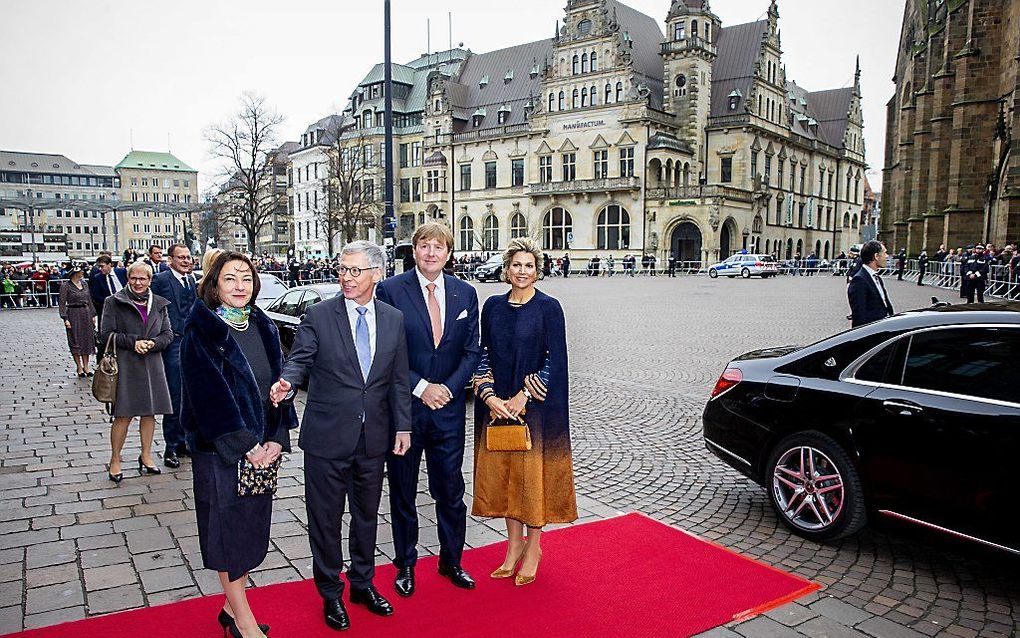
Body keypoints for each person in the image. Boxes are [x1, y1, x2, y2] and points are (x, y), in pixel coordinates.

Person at [270, 241, 411, 632]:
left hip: (374, 439)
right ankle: (330, 593)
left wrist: (403, 426)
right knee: (325, 521)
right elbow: (300, 358)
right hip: (327, 439)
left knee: (366, 516)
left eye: (355, 270)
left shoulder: (393, 319)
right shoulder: (319, 315)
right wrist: (286, 381)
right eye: (342, 269)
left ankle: (362, 584)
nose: (346, 277)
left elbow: (399, 379)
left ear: (376, 274)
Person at [180, 251, 297, 638]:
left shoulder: (262, 324)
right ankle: (244, 623)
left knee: (249, 531)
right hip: (222, 452)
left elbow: (277, 384)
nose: (239, 286)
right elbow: (207, 398)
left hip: (264, 450)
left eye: (246, 278)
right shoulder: (202, 330)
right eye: (230, 279)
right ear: (214, 285)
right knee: (228, 535)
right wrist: (247, 445)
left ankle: (230, 609)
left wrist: (278, 438)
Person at [376, 223, 481, 598]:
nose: (432, 252)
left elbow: (472, 351)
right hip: (406, 411)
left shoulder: (465, 293)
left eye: (439, 247)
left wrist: (449, 389)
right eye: (425, 246)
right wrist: (422, 387)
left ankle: (452, 561)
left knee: (451, 491)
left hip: (449, 412)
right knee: (403, 491)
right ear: (415, 251)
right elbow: (385, 351)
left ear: (449, 253)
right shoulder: (390, 290)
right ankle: (405, 563)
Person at [472, 237, 577, 587]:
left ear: (538, 270)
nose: (522, 271)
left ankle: (533, 549)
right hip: (496, 408)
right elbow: (483, 351)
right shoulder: (493, 307)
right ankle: (513, 546)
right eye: (516, 264)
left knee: (531, 481)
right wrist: (487, 394)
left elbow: (555, 360)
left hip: (534, 411)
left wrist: (523, 396)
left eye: (529, 265)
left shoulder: (549, 308)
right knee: (504, 478)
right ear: (506, 268)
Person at [100, 261, 174, 482]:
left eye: (143, 279)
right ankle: (115, 459)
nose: (138, 282)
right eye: (134, 278)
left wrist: (152, 344)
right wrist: (134, 342)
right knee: (123, 414)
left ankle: (147, 455)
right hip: (127, 364)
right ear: (128, 279)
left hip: (152, 364)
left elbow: (168, 334)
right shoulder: (113, 302)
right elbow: (106, 334)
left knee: (149, 413)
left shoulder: (160, 303)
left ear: (150, 280)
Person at [150, 244, 198, 469]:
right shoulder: (161, 280)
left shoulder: (191, 281)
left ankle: (184, 442)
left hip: (192, 342)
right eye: (181, 257)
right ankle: (170, 446)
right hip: (173, 343)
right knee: (175, 395)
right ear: (171, 260)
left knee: (190, 394)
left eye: (188, 257)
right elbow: (155, 310)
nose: (186, 261)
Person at [58, 267, 97, 377]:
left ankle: (86, 366)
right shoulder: (66, 286)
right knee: (75, 339)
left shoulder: (84, 284)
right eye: (80, 271)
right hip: (73, 313)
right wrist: (65, 318)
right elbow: (62, 303)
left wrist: (93, 315)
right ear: (74, 273)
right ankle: (79, 367)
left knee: (87, 340)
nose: (82, 272)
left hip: (86, 313)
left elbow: (89, 300)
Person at [847, 240, 894, 328]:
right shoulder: (859, 280)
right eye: (884, 253)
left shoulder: (877, 277)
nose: (887, 256)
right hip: (873, 333)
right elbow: (859, 315)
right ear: (876, 256)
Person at [90, 255, 127, 319]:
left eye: (102, 266)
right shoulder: (98, 278)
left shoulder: (122, 272)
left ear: (109, 264)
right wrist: (110, 301)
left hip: (125, 307)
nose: (100, 269)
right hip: (109, 309)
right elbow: (96, 296)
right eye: (99, 266)